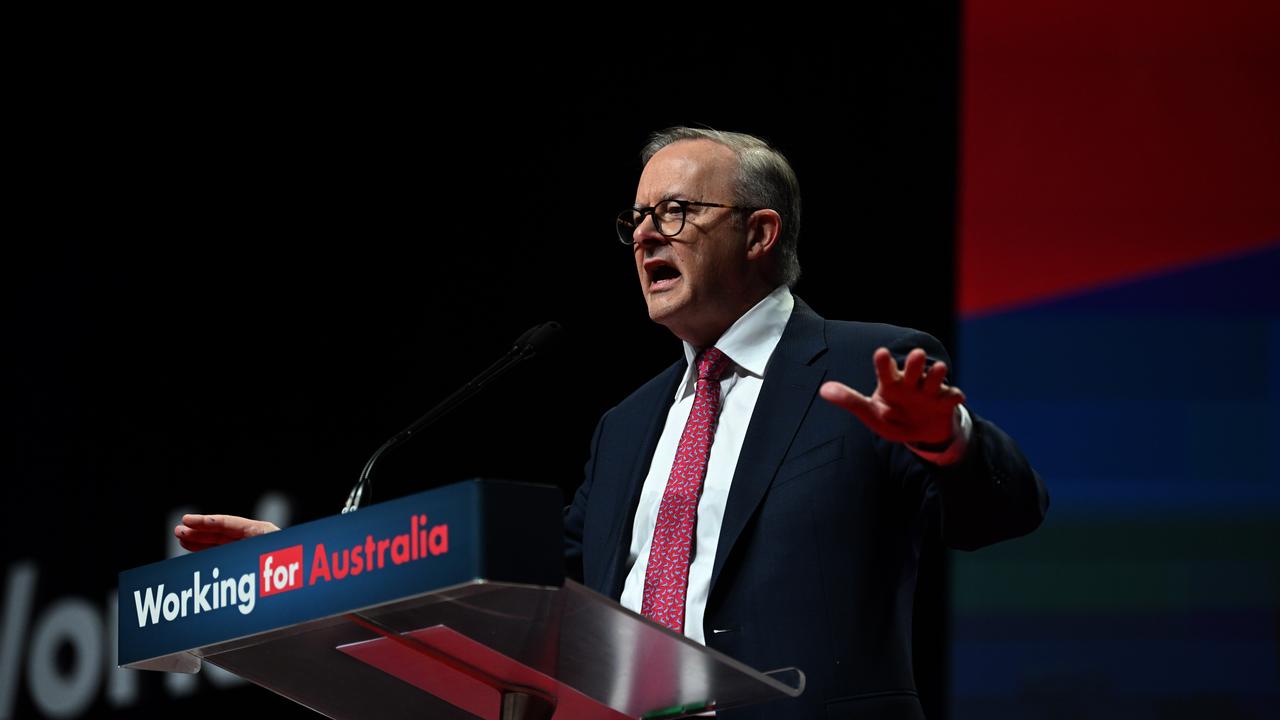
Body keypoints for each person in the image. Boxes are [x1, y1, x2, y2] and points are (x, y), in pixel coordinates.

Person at [177, 127, 1047, 720]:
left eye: (674, 213)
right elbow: (534, 594)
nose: (643, 236)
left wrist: (948, 441)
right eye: (635, 218)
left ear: (760, 232)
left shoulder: (868, 365)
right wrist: (305, 569)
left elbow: (1003, 512)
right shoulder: (626, 426)